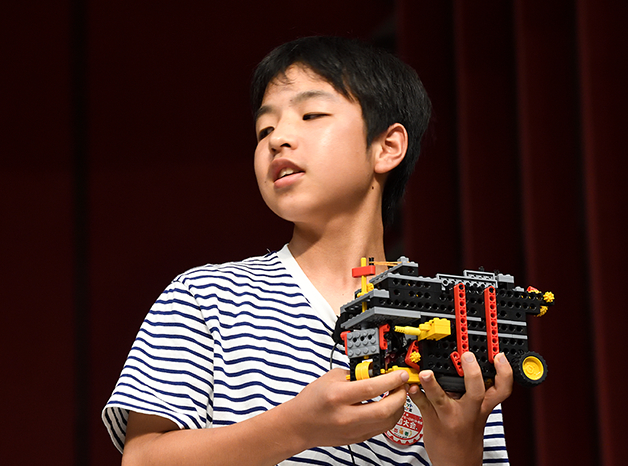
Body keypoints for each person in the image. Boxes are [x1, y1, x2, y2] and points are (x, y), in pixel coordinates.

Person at [103, 36, 513, 466]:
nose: (278, 138)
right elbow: (142, 459)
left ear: (387, 146)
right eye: (264, 129)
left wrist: (459, 452)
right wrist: (296, 428)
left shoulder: (453, 325)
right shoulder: (205, 297)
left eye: (311, 115)